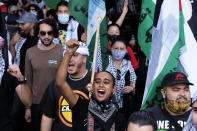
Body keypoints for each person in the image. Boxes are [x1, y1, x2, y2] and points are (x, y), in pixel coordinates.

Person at [56, 40, 126, 131]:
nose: (101, 85)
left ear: (114, 89)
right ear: (92, 87)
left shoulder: (119, 118)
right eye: (97, 81)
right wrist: (68, 54)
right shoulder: (81, 106)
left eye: (106, 82)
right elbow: (60, 83)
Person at [40, 40, 91, 131]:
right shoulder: (55, 83)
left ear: (85, 58)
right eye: (67, 56)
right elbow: (47, 115)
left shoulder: (95, 82)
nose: (70, 59)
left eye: (75, 55)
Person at [25, 19, 63, 131]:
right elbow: (28, 82)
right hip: (37, 104)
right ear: (38, 34)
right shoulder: (30, 52)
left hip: (57, 103)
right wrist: (28, 107)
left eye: (49, 33)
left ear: (53, 33)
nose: (46, 36)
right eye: (43, 33)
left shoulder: (62, 51)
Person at [106, 38, 136, 115]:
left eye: (122, 49)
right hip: (105, 102)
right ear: (111, 49)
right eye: (116, 48)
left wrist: (131, 87)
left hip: (123, 104)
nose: (119, 51)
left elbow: (133, 79)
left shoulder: (128, 63)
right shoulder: (104, 61)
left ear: (126, 51)